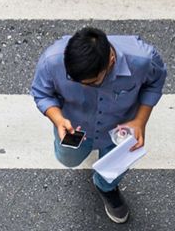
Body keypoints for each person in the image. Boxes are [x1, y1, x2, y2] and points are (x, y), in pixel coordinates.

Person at [30, 27, 167, 224]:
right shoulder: (51, 61)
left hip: (120, 129)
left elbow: (155, 82)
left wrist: (140, 121)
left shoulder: (143, 60)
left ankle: (106, 186)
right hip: (75, 128)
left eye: (91, 82)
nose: (83, 86)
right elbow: (42, 93)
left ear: (111, 61)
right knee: (68, 160)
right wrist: (58, 119)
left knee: (115, 169)